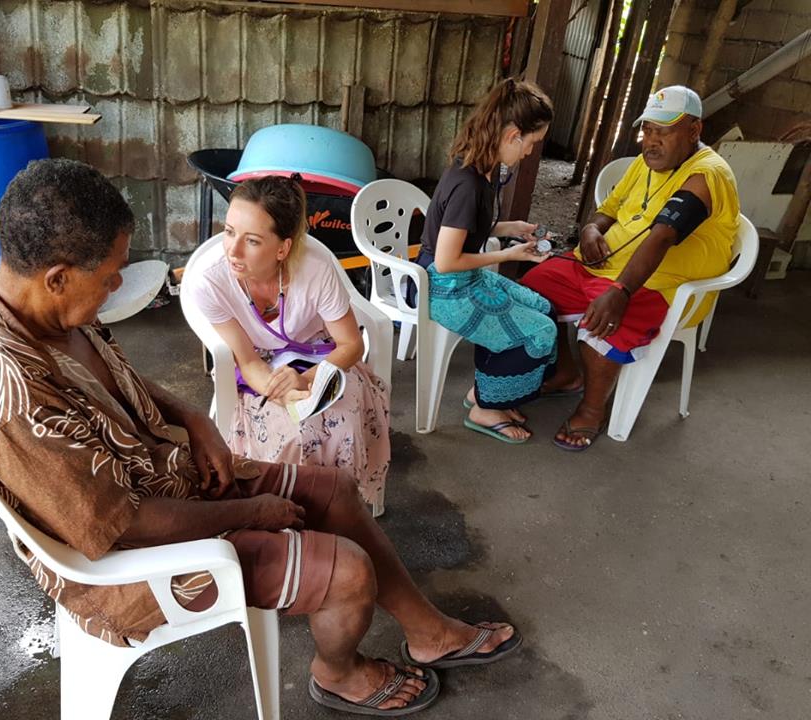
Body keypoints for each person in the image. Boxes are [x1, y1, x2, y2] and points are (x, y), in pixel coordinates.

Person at [0, 158, 523, 716]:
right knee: (349, 573)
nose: (119, 282)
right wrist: (253, 510)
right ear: (59, 277)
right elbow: (118, 527)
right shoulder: (9, 393)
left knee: (337, 492)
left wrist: (194, 418)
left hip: (172, 483)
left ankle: (429, 633)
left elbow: (122, 381)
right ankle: (338, 674)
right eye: (111, 270)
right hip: (132, 565)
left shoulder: (50, 309)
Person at [521, 86, 740, 450]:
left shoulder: (707, 173)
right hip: (603, 266)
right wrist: (591, 229)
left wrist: (620, 291)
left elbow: (664, 235)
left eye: (664, 131)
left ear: (694, 130)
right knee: (532, 287)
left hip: (662, 286)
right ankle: (566, 373)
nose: (652, 142)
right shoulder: (644, 162)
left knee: (602, 324)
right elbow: (610, 207)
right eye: (648, 130)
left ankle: (592, 410)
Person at [184, 176, 390, 516]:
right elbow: (248, 362)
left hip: (321, 356)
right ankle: (292, 516)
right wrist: (278, 389)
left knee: (343, 418)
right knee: (290, 433)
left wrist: (307, 380)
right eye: (229, 231)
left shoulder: (316, 270)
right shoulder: (211, 283)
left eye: (251, 240)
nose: (232, 250)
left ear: (283, 248)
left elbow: (351, 344)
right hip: (259, 367)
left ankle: (340, 511)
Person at [416, 77, 557, 443]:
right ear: (512, 134)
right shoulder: (468, 183)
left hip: (461, 280)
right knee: (541, 332)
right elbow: (446, 261)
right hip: (442, 287)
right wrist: (509, 254)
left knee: (542, 307)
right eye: (530, 144)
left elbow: (468, 228)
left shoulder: (483, 168)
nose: (528, 153)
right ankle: (484, 408)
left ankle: (485, 393)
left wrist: (512, 228)